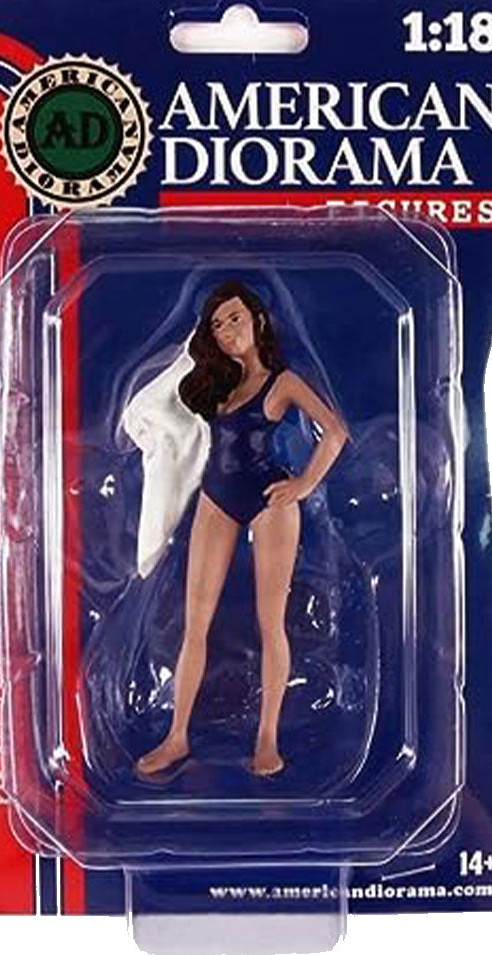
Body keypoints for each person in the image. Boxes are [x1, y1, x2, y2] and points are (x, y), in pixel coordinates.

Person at [136, 281, 347, 776]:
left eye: (235, 318)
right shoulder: (218, 386)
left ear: (258, 320)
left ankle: (267, 740)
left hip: (270, 500)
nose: (228, 330)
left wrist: (303, 484)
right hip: (217, 498)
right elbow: (168, 406)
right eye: (217, 324)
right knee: (196, 623)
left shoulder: (283, 382)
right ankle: (176, 737)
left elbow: (335, 432)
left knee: (270, 623)